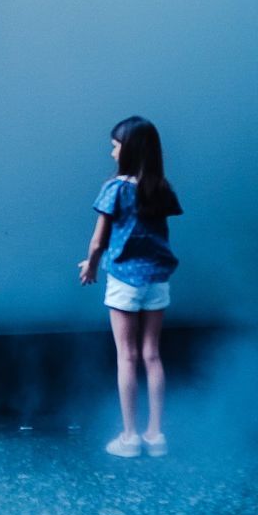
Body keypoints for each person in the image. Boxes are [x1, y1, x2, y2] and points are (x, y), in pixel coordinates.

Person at [79, 116, 183, 458]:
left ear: (129, 149)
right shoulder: (160, 186)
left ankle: (129, 436)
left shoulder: (116, 189)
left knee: (128, 356)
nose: (111, 152)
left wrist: (91, 267)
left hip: (124, 280)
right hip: (156, 279)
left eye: (115, 145)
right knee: (152, 355)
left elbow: (98, 241)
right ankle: (156, 435)